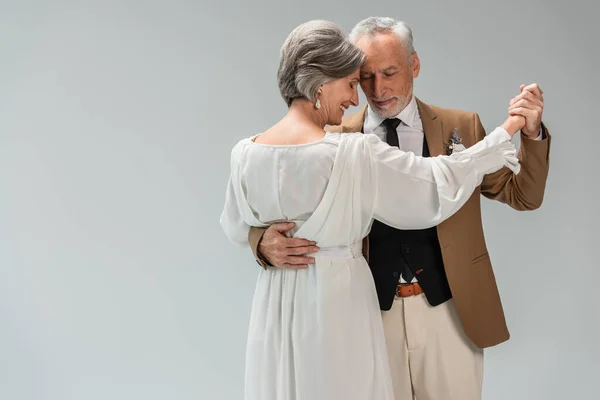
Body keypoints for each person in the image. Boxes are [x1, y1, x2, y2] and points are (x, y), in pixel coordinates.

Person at [248, 17, 552, 400]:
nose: (377, 89)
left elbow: (524, 196)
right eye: (365, 77)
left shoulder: (463, 126)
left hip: (450, 311)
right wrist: (259, 241)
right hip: (370, 315)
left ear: (415, 65)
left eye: (389, 72)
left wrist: (529, 133)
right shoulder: (334, 137)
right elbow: (283, 195)